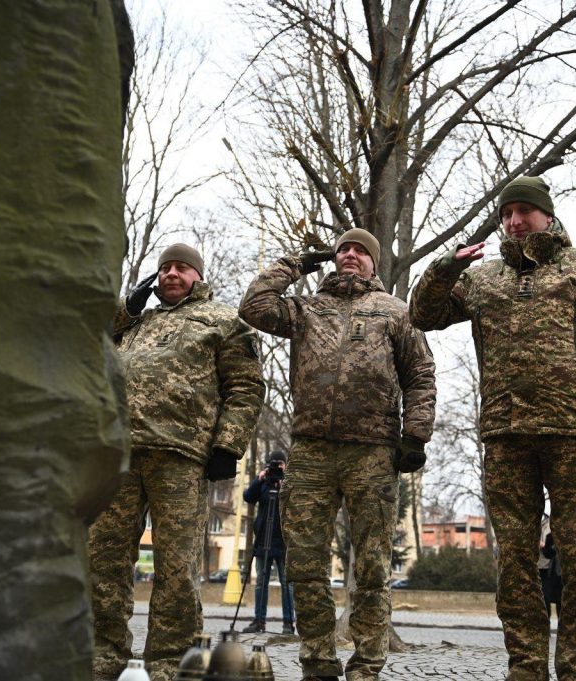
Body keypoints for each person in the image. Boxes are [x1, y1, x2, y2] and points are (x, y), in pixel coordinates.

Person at [409, 175, 576, 680]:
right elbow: (423, 314)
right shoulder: (483, 278)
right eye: (506, 214)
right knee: (515, 567)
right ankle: (526, 670)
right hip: (505, 434)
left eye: (523, 211)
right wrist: (446, 267)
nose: (514, 222)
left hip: (574, 435)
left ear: (546, 214)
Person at [239, 228, 436, 681]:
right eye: (343, 249)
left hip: (373, 451)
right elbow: (253, 307)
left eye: (360, 251)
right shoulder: (306, 309)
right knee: (305, 566)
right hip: (310, 451)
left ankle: (366, 664)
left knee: (371, 567)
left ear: (374, 263)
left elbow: (421, 376)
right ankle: (319, 662)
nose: (350, 255)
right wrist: (294, 266)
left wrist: (416, 435)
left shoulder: (396, 312)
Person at [90, 243, 265, 681]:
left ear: (198, 276)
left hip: (182, 457)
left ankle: (171, 664)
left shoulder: (223, 321)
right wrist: (125, 309)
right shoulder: (135, 323)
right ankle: (99, 655)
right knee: (103, 562)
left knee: (177, 567)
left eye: (181, 267)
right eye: (165, 267)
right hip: (120, 454)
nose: (171, 273)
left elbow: (245, 387)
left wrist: (228, 446)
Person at [241, 450, 295, 635]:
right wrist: (259, 479)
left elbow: (295, 504)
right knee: (260, 583)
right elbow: (248, 497)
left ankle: (288, 623)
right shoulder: (263, 483)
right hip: (263, 540)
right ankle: (259, 621)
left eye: (280, 464)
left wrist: (284, 484)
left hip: (283, 541)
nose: (276, 467)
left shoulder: (288, 484)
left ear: (285, 465)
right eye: (273, 464)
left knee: (287, 583)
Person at [539, 518, 562, 618]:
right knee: (547, 599)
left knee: (561, 601)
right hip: (551, 572)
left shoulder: (568, 536)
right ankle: (546, 625)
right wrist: (553, 548)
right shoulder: (550, 536)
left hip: (562, 572)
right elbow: (547, 553)